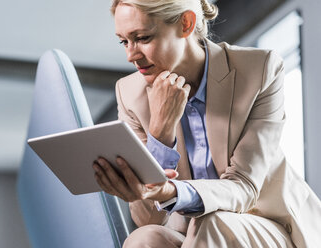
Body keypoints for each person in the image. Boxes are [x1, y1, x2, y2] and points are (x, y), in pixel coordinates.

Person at [92, 0, 321, 247]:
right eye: (124, 41)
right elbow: (148, 218)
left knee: (212, 222)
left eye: (143, 38)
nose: (130, 55)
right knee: (143, 239)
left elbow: (244, 187)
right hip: (194, 236)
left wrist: (171, 192)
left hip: (268, 227)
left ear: (186, 24)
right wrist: (161, 132)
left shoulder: (259, 69)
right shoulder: (129, 94)